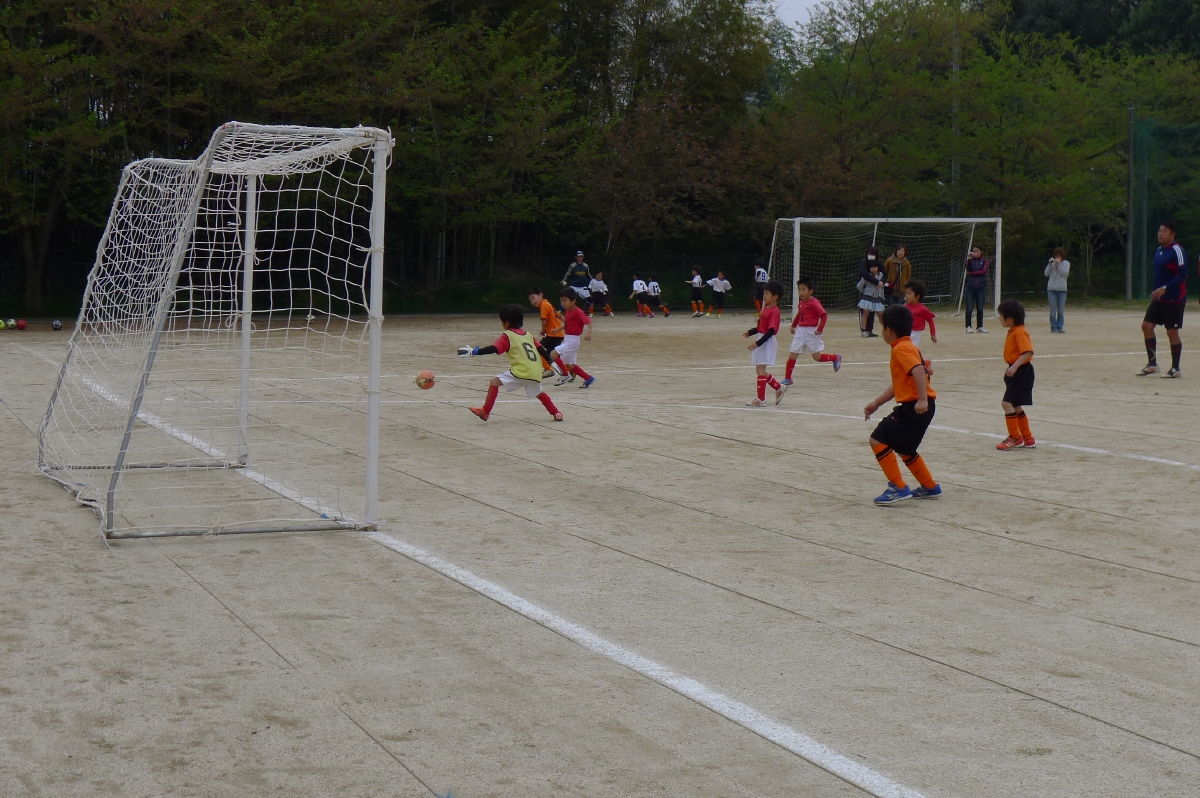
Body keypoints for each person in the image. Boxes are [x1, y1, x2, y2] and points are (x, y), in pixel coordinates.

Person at [864, 304, 942, 505]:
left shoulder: (901, 348)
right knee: (906, 449)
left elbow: (918, 370)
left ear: (889, 330)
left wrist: (922, 399)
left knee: (877, 440)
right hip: (921, 407)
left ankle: (898, 487)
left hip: (914, 408)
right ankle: (930, 486)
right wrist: (877, 403)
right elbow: (901, 382)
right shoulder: (909, 346)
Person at [461, 305, 563, 422]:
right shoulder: (528, 335)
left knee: (494, 382)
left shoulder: (508, 335)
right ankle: (556, 412)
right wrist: (551, 362)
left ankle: (485, 411)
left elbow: (494, 348)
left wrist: (476, 352)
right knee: (538, 392)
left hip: (521, 370)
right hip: (535, 371)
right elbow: (540, 349)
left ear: (507, 322)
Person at [1138, 221, 1188, 377]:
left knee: (1172, 332)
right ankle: (1152, 364)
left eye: (1164, 231)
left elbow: (1183, 275)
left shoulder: (1177, 250)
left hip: (1174, 298)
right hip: (1159, 298)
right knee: (1146, 326)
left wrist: (1165, 288)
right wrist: (1157, 290)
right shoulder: (1159, 251)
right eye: (1159, 231)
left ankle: (1175, 369)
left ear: (1172, 234)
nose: (1160, 234)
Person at [783, 276, 842, 386]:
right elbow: (799, 315)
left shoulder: (815, 303)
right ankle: (788, 378)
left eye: (803, 290)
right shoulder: (801, 303)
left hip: (811, 332)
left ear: (810, 291)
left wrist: (820, 329)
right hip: (800, 331)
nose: (801, 292)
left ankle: (835, 357)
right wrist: (793, 325)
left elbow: (824, 315)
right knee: (792, 354)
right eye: (799, 290)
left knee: (817, 357)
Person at [996, 299, 1036, 450]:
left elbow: (1028, 352)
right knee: (1015, 405)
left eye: (1001, 315)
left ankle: (1014, 437)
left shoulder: (1020, 332)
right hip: (1017, 370)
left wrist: (1015, 366)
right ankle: (1028, 438)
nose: (1000, 318)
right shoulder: (1014, 330)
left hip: (1022, 371)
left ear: (1010, 318)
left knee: (1006, 404)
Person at [743, 281, 786, 406]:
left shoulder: (774, 311)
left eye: (767, 293)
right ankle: (779, 387)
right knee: (759, 369)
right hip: (761, 338)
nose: (764, 296)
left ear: (775, 297)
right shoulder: (766, 309)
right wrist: (750, 332)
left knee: (761, 369)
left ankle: (761, 399)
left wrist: (758, 343)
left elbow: (771, 331)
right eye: (764, 293)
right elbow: (760, 327)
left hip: (767, 341)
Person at [548, 288, 596, 388]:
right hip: (568, 338)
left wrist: (589, 333)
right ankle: (588, 378)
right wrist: (557, 330)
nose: (563, 303)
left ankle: (565, 375)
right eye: (561, 300)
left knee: (553, 354)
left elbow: (589, 321)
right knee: (570, 365)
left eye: (565, 300)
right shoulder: (568, 311)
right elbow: (567, 324)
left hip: (573, 340)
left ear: (573, 300)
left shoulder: (578, 312)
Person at [529, 288, 564, 378]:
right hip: (558, 334)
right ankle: (570, 370)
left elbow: (544, 320)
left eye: (533, 298)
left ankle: (548, 369)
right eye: (530, 300)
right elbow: (559, 316)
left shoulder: (544, 305)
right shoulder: (548, 304)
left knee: (537, 348)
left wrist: (543, 330)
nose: (532, 301)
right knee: (553, 355)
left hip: (552, 334)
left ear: (541, 295)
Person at [857, 248, 886, 337]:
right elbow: (864, 276)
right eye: (870, 253)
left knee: (879, 314)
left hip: (877, 297)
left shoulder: (880, 266)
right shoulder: (864, 263)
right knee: (865, 313)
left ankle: (873, 330)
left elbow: (885, 275)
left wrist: (881, 283)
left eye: (873, 254)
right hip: (866, 294)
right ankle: (864, 330)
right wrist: (876, 282)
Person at [963, 246, 989, 333]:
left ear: (981, 252)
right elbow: (968, 269)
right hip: (970, 287)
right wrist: (970, 260)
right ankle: (968, 326)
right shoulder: (969, 261)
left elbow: (983, 271)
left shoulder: (984, 261)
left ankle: (980, 326)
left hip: (980, 287)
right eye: (974, 251)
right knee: (969, 308)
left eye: (977, 251)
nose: (975, 253)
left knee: (980, 308)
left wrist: (972, 273)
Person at [904, 280, 937, 347]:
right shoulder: (904, 308)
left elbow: (930, 321)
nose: (906, 296)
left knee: (913, 350)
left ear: (918, 296)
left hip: (915, 335)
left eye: (909, 294)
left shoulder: (923, 309)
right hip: (904, 333)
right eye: (906, 294)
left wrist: (933, 334)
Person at [1044, 247, 1070, 333]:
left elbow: (1064, 273)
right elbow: (1046, 273)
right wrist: (1049, 264)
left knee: (1060, 310)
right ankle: (1054, 327)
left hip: (1062, 290)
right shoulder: (1052, 264)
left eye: (1059, 256)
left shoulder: (1066, 263)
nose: (1057, 257)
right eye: (1056, 255)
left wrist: (1058, 265)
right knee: (1053, 311)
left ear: (1062, 256)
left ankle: (1060, 326)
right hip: (1052, 289)